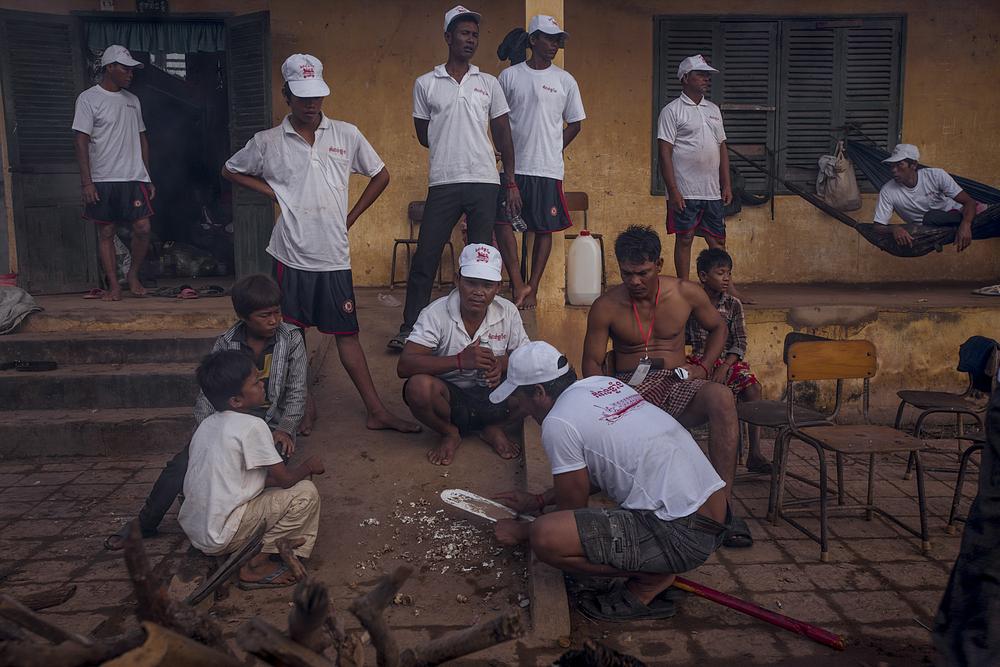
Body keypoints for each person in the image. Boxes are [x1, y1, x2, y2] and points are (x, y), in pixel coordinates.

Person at [223, 53, 418, 435]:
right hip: (291, 255)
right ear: (287, 95)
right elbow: (230, 169)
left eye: (317, 96)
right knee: (293, 337)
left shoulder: (346, 134)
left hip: (333, 256)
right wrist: (273, 192)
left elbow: (381, 175)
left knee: (347, 335)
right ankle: (303, 408)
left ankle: (376, 410)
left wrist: (351, 217)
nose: (311, 104)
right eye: (302, 96)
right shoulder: (267, 142)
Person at [491, 341, 730, 621]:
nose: (520, 407)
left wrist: (522, 532)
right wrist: (540, 500)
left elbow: (572, 510)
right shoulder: (603, 384)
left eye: (520, 398)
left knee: (546, 536)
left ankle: (650, 579)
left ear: (539, 392)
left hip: (684, 534)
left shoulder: (558, 421)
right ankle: (656, 564)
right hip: (716, 513)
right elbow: (605, 468)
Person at [103, 274, 306, 550]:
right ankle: (145, 523)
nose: (274, 320)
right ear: (243, 317)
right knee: (181, 465)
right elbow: (207, 395)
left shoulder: (291, 338)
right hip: (226, 419)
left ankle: (239, 523)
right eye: (265, 315)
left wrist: (286, 428)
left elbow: (296, 391)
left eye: (277, 312)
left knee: (271, 463)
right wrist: (206, 433)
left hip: (270, 423)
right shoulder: (226, 341)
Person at [582, 225, 752, 548]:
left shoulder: (685, 293)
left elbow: (719, 328)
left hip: (678, 381)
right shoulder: (606, 306)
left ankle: (722, 510)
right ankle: (644, 512)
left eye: (643, 273)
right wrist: (606, 399)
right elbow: (591, 362)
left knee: (722, 397)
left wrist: (703, 366)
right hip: (629, 389)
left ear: (659, 265)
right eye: (627, 273)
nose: (635, 281)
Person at [387, 5, 520, 350]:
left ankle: (476, 332)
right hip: (444, 181)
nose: (470, 40)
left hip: (484, 182)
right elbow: (423, 134)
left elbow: (503, 135)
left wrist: (510, 180)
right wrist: (450, 143)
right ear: (448, 37)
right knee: (426, 256)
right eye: (464, 33)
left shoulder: (488, 83)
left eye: (475, 35)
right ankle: (410, 328)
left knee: (479, 262)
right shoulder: (426, 83)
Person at [178, 350, 325, 589]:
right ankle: (255, 565)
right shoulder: (252, 426)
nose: (262, 384)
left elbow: (243, 482)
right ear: (236, 401)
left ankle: (244, 549)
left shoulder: (207, 425)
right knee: (305, 493)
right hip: (221, 535)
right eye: (256, 382)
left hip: (198, 532)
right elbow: (286, 480)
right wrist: (309, 466)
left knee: (277, 493)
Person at [397, 244, 529, 465]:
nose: (478, 292)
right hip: (450, 400)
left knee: (538, 384)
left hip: (494, 394)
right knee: (418, 387)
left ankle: (493, 427)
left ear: (498, 287)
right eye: (471, 282)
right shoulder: (435, 313)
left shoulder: (507, 311)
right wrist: (459, 361)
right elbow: (405, 365)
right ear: (457, 280)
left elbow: (527, 359)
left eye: (487, 285)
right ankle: (449, 432)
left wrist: (501, 364)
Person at [494, 14, 585, 310]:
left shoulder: (565, 80)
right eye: (548, 38)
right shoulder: (509, 77)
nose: (554, 45)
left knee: (544, 228)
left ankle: (532, 286)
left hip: (547, 169)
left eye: (557, 40)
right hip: (514, 168)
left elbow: (575, 123)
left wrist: (555, 146)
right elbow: (498, 120)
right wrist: (500, 150)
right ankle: (517, 283)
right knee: (503, 223)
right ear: (533, 40)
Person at [658, 54, 749, 301]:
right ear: (685, 78)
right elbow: (664, 152)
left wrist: (726, 183)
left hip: (711, 189)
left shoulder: (713, 110)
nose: (706, 79)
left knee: (717, 240)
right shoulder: (671, 111)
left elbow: (721, 147)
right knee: (685, 237)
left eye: (707, 75)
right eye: (700, 74)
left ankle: (728, 287)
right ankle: (683, 287)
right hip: (684, 188)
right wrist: (673, 190)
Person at [72, 45, 154, 301]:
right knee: (107, 232)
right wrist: (87, 183)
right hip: (103, 178)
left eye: (131, 69)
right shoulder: (88, 98)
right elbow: (81, 141)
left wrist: (147, 176)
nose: (130, 74)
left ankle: (133, 274)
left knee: (143, 227)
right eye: (125, 69)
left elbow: (142, 140)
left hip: (133, 177)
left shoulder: (133, 101)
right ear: (110, 68)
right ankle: (114, 286)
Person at [686, 248, 766, 473]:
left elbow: (740, 341)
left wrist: (726, 366)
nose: (726, 279)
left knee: (753, 389)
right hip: (698, 360)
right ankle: (690, 455)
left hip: (728, 362)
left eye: (729, 273)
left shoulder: (733, 304)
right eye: (720, 273)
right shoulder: (691, 303)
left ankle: (755, 453)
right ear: (703, 276)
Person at [874, 143, 986, 252]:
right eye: (892, 165)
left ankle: (969, 217)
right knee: (927, 220)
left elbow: (969, 202)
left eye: (899, 165)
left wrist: (966, 224)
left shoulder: (935, 176)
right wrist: (894, 228)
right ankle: (947, 232)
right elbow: (878, 226)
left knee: (931, 216)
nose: (894, 170)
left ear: (913, 165)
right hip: (926, 231)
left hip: (953, 214)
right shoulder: (887, 191)